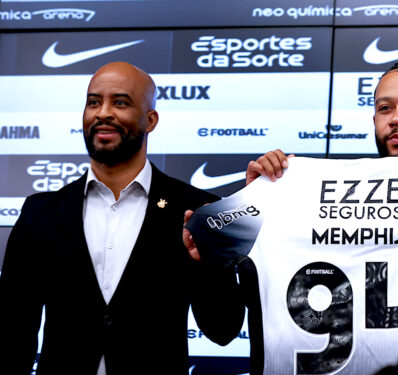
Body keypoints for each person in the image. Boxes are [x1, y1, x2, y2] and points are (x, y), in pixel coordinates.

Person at [183, 62, 398, 374]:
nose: (396, 117)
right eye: (384, 108)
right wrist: (256, 202)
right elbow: (222, 329)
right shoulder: (287, 188)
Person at [0, 62, 244, 374]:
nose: (102, 113)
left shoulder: (199, 209)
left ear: (150, 120)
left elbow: (223, 331)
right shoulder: (40, 212)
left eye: (120, 102)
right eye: (93, 102)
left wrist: (210, 264)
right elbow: (12, 332)